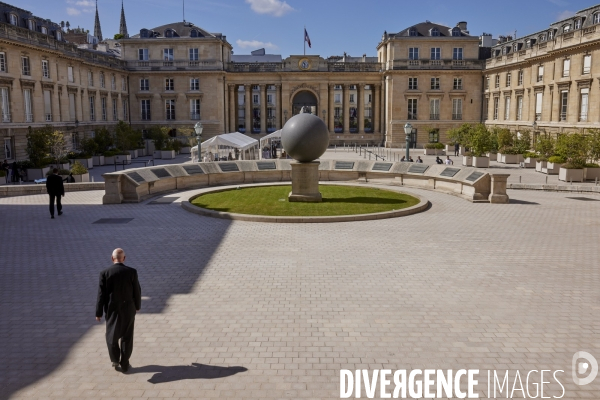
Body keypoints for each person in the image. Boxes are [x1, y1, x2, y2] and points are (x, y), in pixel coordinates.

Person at [95, 248, 142, 373]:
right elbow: (136, 290)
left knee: (111, 335)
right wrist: (137, 305)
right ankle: (125, 362)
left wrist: (98, 313)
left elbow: (101, 295)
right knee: (127, 336)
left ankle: (115, 359)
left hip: (112, 309)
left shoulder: (105, 273)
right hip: (128, 308)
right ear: (124, 259)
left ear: (112, 258)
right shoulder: (132, 272)